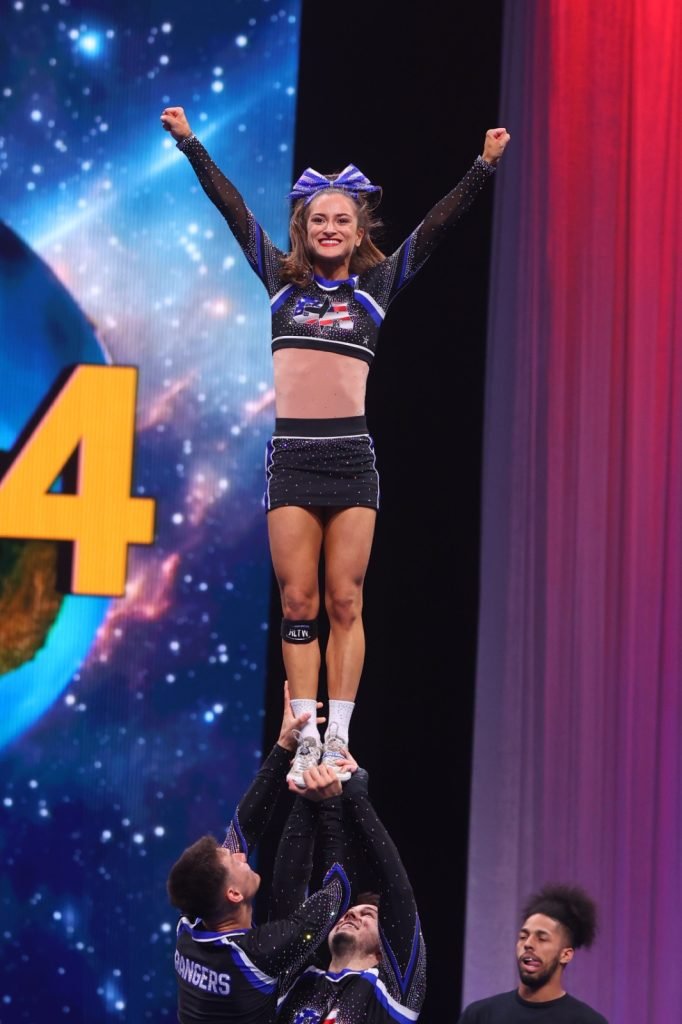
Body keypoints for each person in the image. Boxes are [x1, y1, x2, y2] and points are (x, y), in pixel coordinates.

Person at [160, 105, 510, 784]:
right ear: (303, 228)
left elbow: (435, 229)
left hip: (352, 462)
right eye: (318, 219)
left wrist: (483, 168)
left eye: (341, 220)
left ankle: (340, 737)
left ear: (358, 231)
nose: (329, 228)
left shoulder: (375, 291)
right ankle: (305, 732)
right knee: (299, 603)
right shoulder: (279, 284)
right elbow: (232, 209)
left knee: (345, 600)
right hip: (292, 460)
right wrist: (191, 144)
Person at [166, 684, 351, 1024]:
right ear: (233, 894)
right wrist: (331, 805)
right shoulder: (255, 952)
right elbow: (335, 896)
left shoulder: (193, 925)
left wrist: (283, 747)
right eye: (232, 861)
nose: (240, 855)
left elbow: (242, 831)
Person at [271, 760, 426, 1023]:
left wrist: (356, 797)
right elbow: (287, 890)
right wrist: (306, 799)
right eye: (349, 912)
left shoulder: (396, 994)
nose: (352, 914)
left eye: (368, 915)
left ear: (384, 952)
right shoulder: (298, 980)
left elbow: (396, 888)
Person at [457, 883, 609, 1022]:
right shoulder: (479, 1015)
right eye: (523, 936)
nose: (528, 944)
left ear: (565, 955)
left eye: (541, 939)